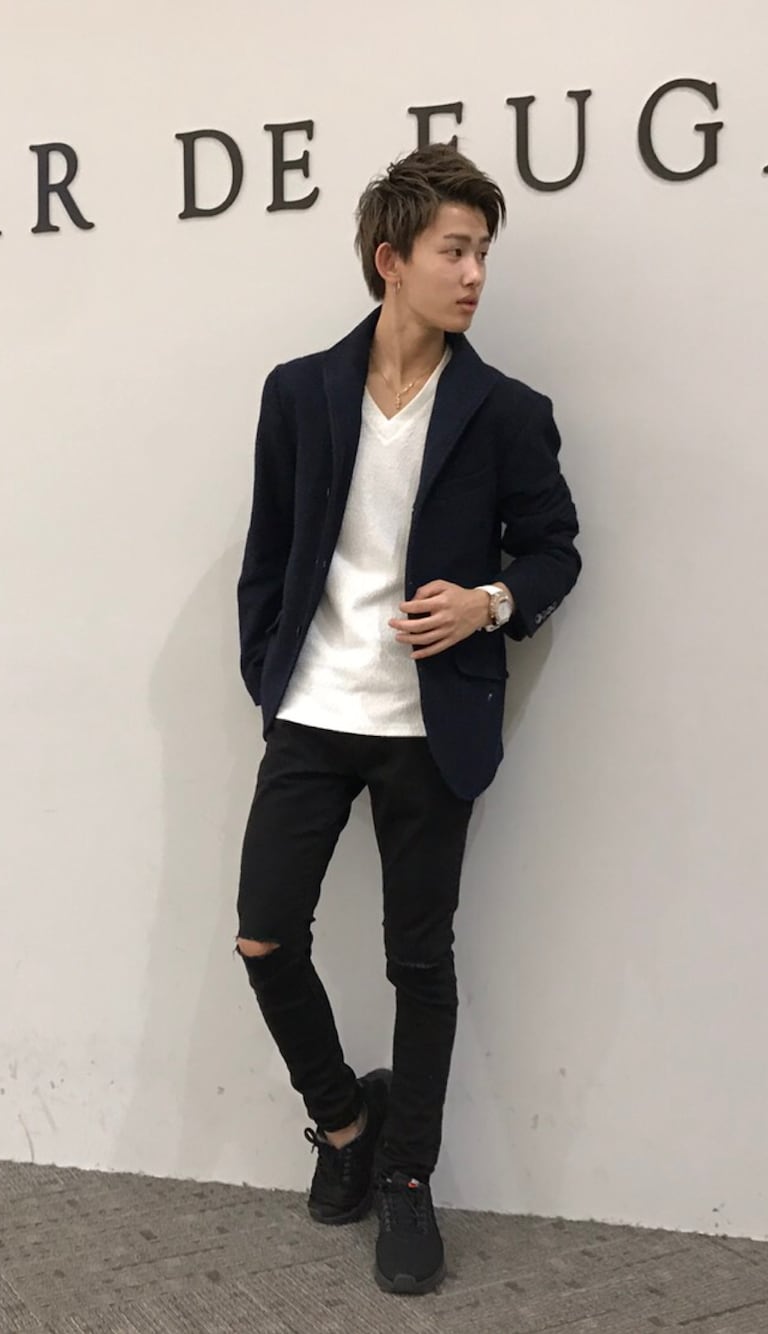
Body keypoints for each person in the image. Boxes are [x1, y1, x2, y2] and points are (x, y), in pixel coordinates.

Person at [234, 143, 581, 1297]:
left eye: (483, 253)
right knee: (264, 932)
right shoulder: (299, 393)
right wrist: (267, 674)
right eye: (454, 250)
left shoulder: (507, 412)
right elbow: (267, 554)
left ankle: (407, 1174)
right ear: (391, 259)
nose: (475, 274)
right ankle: (344, 1121)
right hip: (314, 709)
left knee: (417, 958)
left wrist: (488, 602)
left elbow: (553, 551)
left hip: (429, 724)